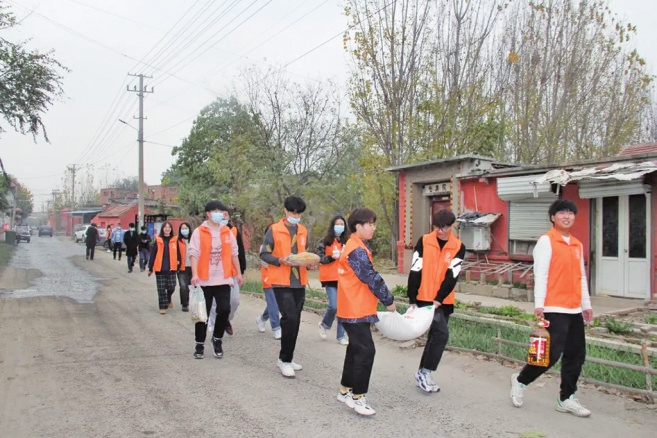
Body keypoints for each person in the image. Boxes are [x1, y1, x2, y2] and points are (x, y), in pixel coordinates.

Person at [510, 199, 593, 417]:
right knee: (550, 355)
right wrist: (539, 305)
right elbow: (541, 274)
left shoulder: (577, 244)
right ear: (553, 217)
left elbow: (580, 277)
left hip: (574, 309)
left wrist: (586, 305)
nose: (567, 216)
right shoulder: (546, 242)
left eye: (570, 213)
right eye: (562, 213)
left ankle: (567, 398)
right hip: (554, 307)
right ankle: (520, 381)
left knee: (576, 355)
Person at [336, 207, 395, 416]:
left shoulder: (355, 245)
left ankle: (345, 390)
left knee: (355, 349)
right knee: (366, 351)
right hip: (355, 308)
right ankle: (358, 397)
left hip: (353, 306)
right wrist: (388, 300)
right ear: (358, 226)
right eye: (370, 224)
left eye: (374, 224)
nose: (373, 228)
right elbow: (371, 277)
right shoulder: (356, 250)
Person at [406, 209, 466, 393]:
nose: (441, 231)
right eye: (438, 227)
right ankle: (425, 372)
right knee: (441, 334)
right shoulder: (424, 241)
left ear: (451, 226)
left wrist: (439, 298)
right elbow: (416, 268)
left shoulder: (458, 246)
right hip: (424, 297)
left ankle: (422, 372)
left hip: (443, 300)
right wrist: (412, 297)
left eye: (445, 228)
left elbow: (452, 275)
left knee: (435, 336)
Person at [260, 196, 312, 378]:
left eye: (298, 213)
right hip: (281, 281)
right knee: (289, 318)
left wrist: (310, 263)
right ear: (285, 210)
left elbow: (305, 254)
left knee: (295, 321)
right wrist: (279, 260)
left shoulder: (303, 231)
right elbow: (264, 254)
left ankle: (287, 357)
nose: (295, 216)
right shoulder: (274, 230)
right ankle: (284, 360)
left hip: (299, 282)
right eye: (292, 212)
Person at [188, 201, 243, 359]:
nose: (219, 213)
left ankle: (217, 339)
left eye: (221, 211)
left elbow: (234, 254)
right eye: (215, 211)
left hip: (223, 278)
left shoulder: (227, 232)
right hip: (204, 280)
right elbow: (194, 253)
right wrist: (195, 274)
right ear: (208, 214)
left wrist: (238, 273)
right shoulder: (199, 232)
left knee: (224, 309)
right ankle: (199, 344)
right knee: (202, 315)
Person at [208, 211, 246, 336]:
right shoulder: (210, 231)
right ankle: (213, 325)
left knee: (234, 301)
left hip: (232, 272)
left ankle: (226, 320)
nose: (223, 217)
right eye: (221, 214)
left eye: (225, 214)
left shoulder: (233, 231)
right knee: (215, 303)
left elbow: (239, 252)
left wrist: (242, 271)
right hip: (216, 272)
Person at [316, 215, 350, 345]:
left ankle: (341, 336)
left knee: (342, 307)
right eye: (338, 224)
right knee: (333, 305)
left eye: (342, 224)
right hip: (329, 277)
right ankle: (324, 324)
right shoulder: (325, 241)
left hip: (343, 277)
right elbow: (319, 257)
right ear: (332, 225)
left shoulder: (347, 241)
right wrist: (331, 257)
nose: (340, 226)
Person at [148, 221, 181, 314]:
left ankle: (168, 297)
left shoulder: (175, 239)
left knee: (172, 286)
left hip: (172, 268)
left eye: (169, 227)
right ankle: (162, 307)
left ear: (171, 229)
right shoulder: (158, 240)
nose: (167, 229)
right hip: (160, 269)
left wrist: (179, 262)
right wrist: (150, 268)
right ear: (162, 229)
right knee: (161, 288)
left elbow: (178, 253)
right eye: (165, 227)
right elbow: (153, 254)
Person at [255, 224, 281, 340]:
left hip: (280, 279)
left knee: (276, 304)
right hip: (268, 279)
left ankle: (262, 318)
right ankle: (276, 327)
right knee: (273, 304)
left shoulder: (281, 246)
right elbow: (266, 262)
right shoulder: (263, 248)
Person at [177, 222, 193, 312]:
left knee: (190, 287)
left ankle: (190, 301)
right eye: (182, 228)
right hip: (182, 267)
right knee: (183, 286)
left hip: (192, 267)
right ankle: (184, 304)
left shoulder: (194, 240)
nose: (184, 230)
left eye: (186, 228)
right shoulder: (177, 241)